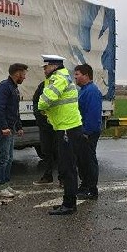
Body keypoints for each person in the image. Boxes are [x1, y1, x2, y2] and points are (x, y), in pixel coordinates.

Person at [37, 55, 83, 215]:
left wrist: (43, 105)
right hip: (64, 127)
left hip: (67, 128)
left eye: (46, 66)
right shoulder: (57, 78)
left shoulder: (59, 78)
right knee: (65, 166)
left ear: (54, 66)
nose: (44, 69)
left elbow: (44, 101)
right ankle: (67, 201)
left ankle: (70, 205)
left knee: (68, 167)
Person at [0, 63, 27, 197]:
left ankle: (7, 184)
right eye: (23, 74)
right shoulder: (4, 87)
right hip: (3, 129)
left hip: (10, 128)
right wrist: (4, 127)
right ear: (17, 73)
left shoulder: (14, 88)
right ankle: (2, 186)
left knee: (9, 158)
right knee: (4, 158)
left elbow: (15, 111)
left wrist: (18, 127)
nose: (24, 77)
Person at [74, 64, 102, 200]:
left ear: (86, 75)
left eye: (77, 74)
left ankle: (91, 189)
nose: (75, 77)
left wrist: (86, 132)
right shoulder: (84, 90)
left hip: (88, 133)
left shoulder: (91, 91)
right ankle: (84, 186)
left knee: (88, 160)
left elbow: (93, 114)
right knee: (82, 161)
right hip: (83, 131)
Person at [32, 77, 63, 186]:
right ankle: (47, 176)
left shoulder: (61, 85)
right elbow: (35, 101)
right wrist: (38, 115)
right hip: (45, 126)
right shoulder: (43, 85)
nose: (45, 72)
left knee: (60, 152)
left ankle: (62, 178)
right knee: (46, 151)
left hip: (58, 125)